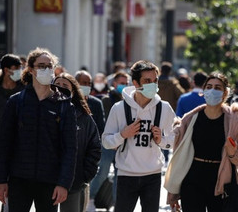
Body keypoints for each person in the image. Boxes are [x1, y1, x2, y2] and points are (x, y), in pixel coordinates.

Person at [0, 47, 77, 212]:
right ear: (31, 69)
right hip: (19, 179)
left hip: (50, 181)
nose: (47, 69)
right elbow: (4, 143)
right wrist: (0, 180)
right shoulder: (16, 102)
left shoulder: (64, 105)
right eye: (41, 66)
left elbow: (70, 148)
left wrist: (64, 183)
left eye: (50, 66)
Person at [165, 72, 238, 212]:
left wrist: (233, 153)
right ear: (203, 91)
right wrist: (173, 192)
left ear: (225, 93)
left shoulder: (235, 123)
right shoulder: (190, 119)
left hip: (221, 183)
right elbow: (175, 149)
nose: (212, 90)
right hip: (192, 179)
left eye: (217, 88)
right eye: (209, 87)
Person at [102, 60, 176, 212]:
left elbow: (175, 140)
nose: (152, 85)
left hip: (153, 175)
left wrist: (161, 140)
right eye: (147, 81)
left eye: (155, 80)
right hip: (126, 174)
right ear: (135, 83)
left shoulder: (164, 108)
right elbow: (106, 141)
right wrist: (123, 134)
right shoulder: (119, 108)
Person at [53, 73, 101, 212]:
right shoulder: (44, 111)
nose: (60, 88)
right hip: (47, 180)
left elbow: (94, 147)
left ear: (73, 91)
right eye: (57, 85)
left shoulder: (84, 117)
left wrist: (85, 174)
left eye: (65, 85)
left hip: (74, 181)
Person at [87, 71, 128, 212]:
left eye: (126, 83)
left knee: (119, 175)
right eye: (121, 83)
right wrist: (113, 140)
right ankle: (90, 199)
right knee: (102, 172)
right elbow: (106, 124)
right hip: (108, 143)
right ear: (114, 84)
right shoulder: (107, 99)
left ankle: (118, 204)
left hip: (123, 142)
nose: (124, 86)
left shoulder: (129, 100)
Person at [75, 70, 106, 135]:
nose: (87, 85)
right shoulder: (70, 101)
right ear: (76, 83)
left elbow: (101, 128)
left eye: (89, 83)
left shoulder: (96, 103)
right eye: (84, 83)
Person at [0, 54, 24, 126]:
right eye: (16, 68)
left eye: (20, 68)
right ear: (6, 70)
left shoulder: (23, 89)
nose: (19, 71)